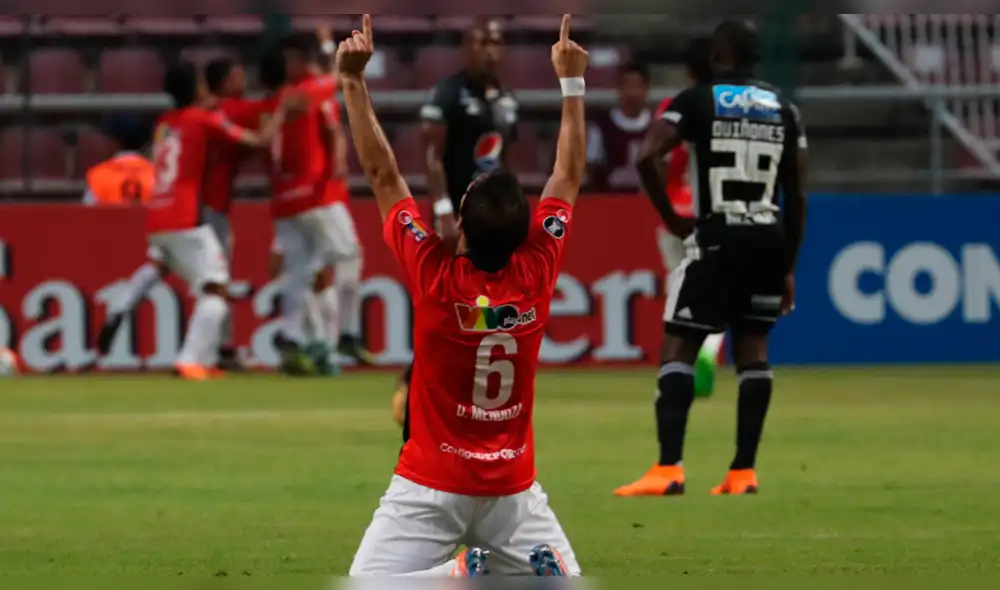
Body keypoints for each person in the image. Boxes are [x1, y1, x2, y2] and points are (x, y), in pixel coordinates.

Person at [342, 14, 587, 577]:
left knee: (366, 585)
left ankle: (457, 576)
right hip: (513, 491)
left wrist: (353, 83)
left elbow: (383, 175)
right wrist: (572, 84)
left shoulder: (434, 275)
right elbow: (567, 173)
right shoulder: (538, 268)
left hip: (431, 484)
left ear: (464, 229)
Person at [617, 19, 808, 496]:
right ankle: (742, 472)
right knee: (753, 349)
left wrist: (674, 220)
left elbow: (646, 156)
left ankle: (668, 469)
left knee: (679, 344)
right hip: (768, 237)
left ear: (718, 53)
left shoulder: (699, 98)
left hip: (718, 235)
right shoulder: (784, 108)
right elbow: (798, 194)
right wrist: (787, 264)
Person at [391, 17, 520, 399]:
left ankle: (469, 367)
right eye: (481, 43)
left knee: (489, 293)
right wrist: (445, 209)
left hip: (493, 216)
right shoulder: (447, 94)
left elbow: (503, 160)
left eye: (496, 43)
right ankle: (417, 372)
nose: (489, 51)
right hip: (459, 212)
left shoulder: (508, 99)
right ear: (467, 49)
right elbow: (432, 156)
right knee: (445, 291)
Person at [144, 62, 296, 379]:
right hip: (187, 217)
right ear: (196, 89)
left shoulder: (163, 124)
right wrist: (281, 113)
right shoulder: (203, 119)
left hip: (157, 214)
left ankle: (207, 357)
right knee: (215, 288)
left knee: (206, 287)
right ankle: (190, 359)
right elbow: (259, 140)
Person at [269, 30, 371, 374]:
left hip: (286, 201)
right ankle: (346, 332)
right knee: (348, 255)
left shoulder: (286, 96)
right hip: (314, 194)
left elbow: (332, 128)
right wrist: (333, 51)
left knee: (302, 270)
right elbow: (339, 81)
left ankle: (294, 335)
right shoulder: (305, 92)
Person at [585, 60, 652, 192]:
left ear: (646, 90)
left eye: (637, 86)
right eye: (627, 86)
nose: (632, 92)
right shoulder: (602, 126)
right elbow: (591, 168)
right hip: (610, 202)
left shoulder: (657, 126)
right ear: (619, 89)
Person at [82, 115, 155, 206]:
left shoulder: (98, 174)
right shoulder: (158, 175)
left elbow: (87, 214)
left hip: (108, 220)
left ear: (115, 142)